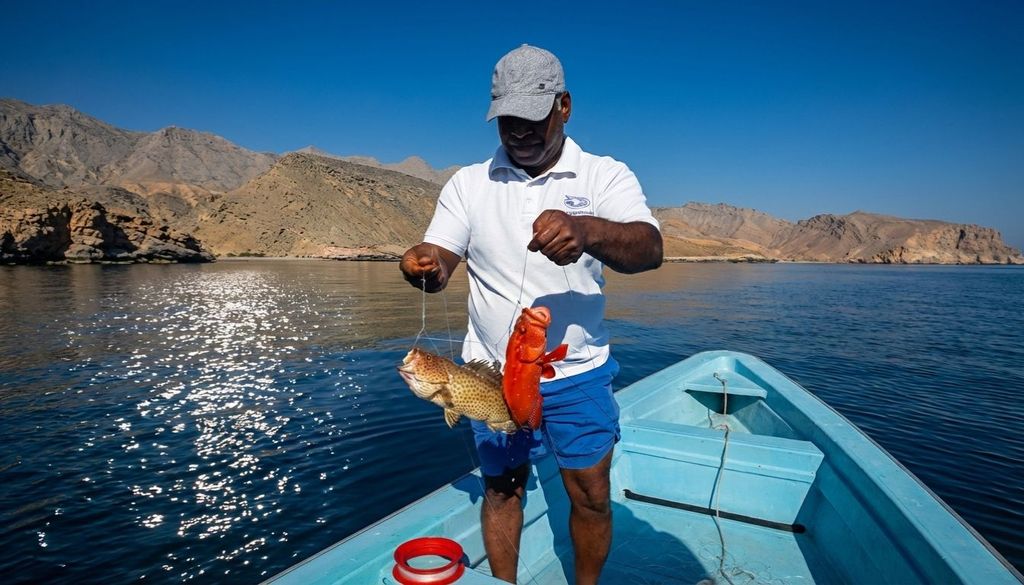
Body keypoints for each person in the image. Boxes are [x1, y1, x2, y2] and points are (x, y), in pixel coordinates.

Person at [399, 44, 663, 585]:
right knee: (501, 489)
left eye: (532, 119)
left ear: (564, 107)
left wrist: (588, 230)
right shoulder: (468, 184)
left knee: (590, 494)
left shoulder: (604, 175)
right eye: (507, 121)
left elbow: (649, 248)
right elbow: (441, 255)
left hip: (577, 375)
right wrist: (423, 265)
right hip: (488, 375)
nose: (519, 132)